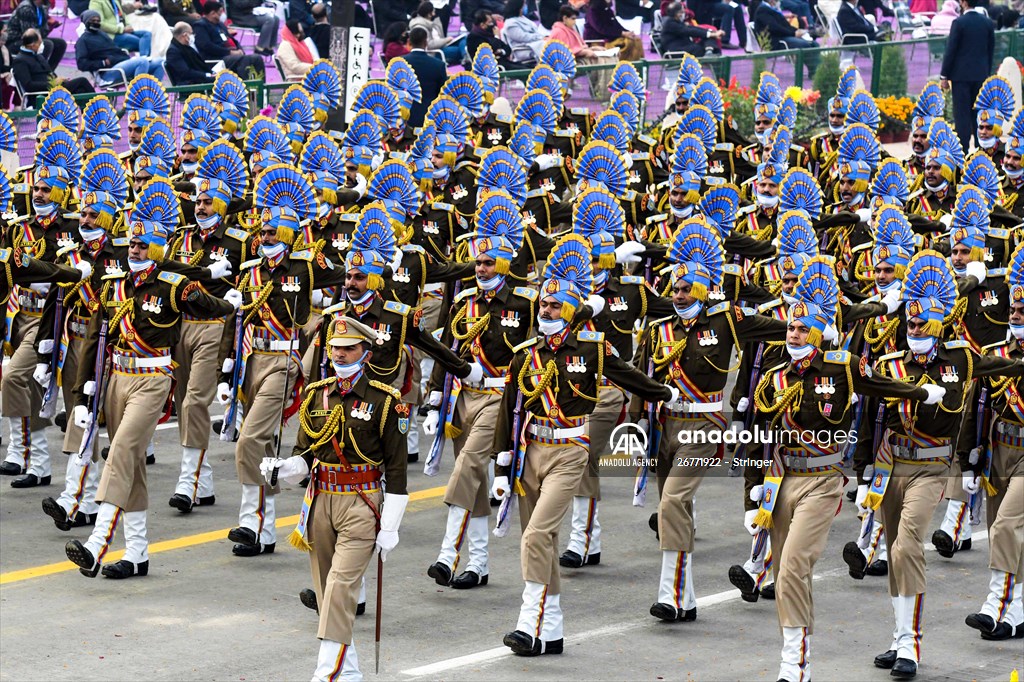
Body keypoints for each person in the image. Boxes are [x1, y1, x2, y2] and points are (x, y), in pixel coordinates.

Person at [492, 235, 674, 656]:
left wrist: (662, 394)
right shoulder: (525, 354)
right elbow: (510, 410)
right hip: (529, 451)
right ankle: (551, 628)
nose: (546, 311)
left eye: (555, 306)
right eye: (543, 305)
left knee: (536, 535)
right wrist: (502, 465)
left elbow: (630, 376)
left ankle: (527, 622)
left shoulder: (592, 348)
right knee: (541, 542)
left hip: (570, 450)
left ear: (571, 310)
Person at [63, 219, 238, 580]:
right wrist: (83, 392)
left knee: (122, 451)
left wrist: (230, 305)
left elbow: (210, 307)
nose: (135, 249)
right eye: (132, 243)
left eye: (142, 245)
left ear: (156, 249)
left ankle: (97, 544)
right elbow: (96, 339)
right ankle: (137, 553)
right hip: (116, 380)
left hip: (152, 380)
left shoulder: (172, 286)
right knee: (133, 466)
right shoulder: (114, 286)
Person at [262, 315, 410, 681]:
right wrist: (283, 467)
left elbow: (397, 470)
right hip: (319, 501)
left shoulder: (386, 402)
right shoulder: (316, 395)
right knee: (328, 593)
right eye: (336, 349)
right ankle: (350, 673)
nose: (341, 355)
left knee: (342, 588)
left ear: (366, 352)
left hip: (362, 502)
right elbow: (307, 454)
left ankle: (326, 673)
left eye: (349, 349)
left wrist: (390, 526)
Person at [940, 0, 995, 152]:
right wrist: (986, 72)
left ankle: (962, 150)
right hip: (980, 75)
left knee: (962, 115)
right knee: (979, 114)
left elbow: (951, 50)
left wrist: (944, 75)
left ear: (964, 3)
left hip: (960, 76)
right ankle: (980, 148)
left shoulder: (959, 22)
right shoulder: (987, 23)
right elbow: (990, 51)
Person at [75, 9, 166, 82]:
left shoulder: (102, 34)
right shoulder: (83, 40)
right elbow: (81, 64)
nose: (96, 22)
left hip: (120, 62)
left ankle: (152, 93)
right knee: (142, 61)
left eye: (98, 20)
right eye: (93, 20)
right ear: (86, 21)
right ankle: (138, 96)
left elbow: (114, 49)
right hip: (107, 72)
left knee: (160, 62)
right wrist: (103, 62)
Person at [11, 29, 94, 101]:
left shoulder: (38, 56)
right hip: (42, 94)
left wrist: (59, 79)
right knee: (82, 81)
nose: (42, 45)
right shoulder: (20, 60)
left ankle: (91, 116)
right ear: (32, 45)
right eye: (40, 43)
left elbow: (48, 72)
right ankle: (98, 108)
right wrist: (51, 83)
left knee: (81, 91)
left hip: (53, 88)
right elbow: (28, 85)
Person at [193, 1, 265, 78]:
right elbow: (207, 46)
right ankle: (245, 87)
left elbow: (232, 39)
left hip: (230, 54)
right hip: (217, 58)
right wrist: (229, 52)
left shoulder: (220, 24)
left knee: (257, 58)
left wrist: (239, 49)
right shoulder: (200, 26)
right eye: (220, 12)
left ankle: (261, 87)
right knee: (244, 60)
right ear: (213, 13)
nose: (222, 15)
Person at [754, 0, 819, 76]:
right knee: (804, 44)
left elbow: (784, 26)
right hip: (774, 41)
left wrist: (796, 31)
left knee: (814, 44)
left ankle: (817, 70)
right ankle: (815, 73)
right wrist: (793, 33)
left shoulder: (771, 9)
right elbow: (775, 28)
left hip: (782, 37)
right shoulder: (762, 10)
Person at [403, 27, 447, 127]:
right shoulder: (438, 65)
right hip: (431, 117)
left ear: (409, 41)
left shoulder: (400, 63)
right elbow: (442, 93)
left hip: (404, 118)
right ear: (426, 42)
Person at [4, 0, 66, 70]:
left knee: (61, 43)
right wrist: (46, 29)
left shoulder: (41, 7)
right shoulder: (26, 8)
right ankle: (37, 72)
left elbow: (44, 29)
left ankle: (48, 73)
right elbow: (29, 35)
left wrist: (47, 28)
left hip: (31, 37)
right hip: (15, 41)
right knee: (47, 44)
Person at [87, 0, 153, 55]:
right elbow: (100, 24)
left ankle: (145, 61)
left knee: (147, 34)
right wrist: (121, 29)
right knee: (143, 44)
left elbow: (122, 14)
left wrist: (128, 25)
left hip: (123, 31)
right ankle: (145, 62)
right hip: (111, 35)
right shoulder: (95, 2)